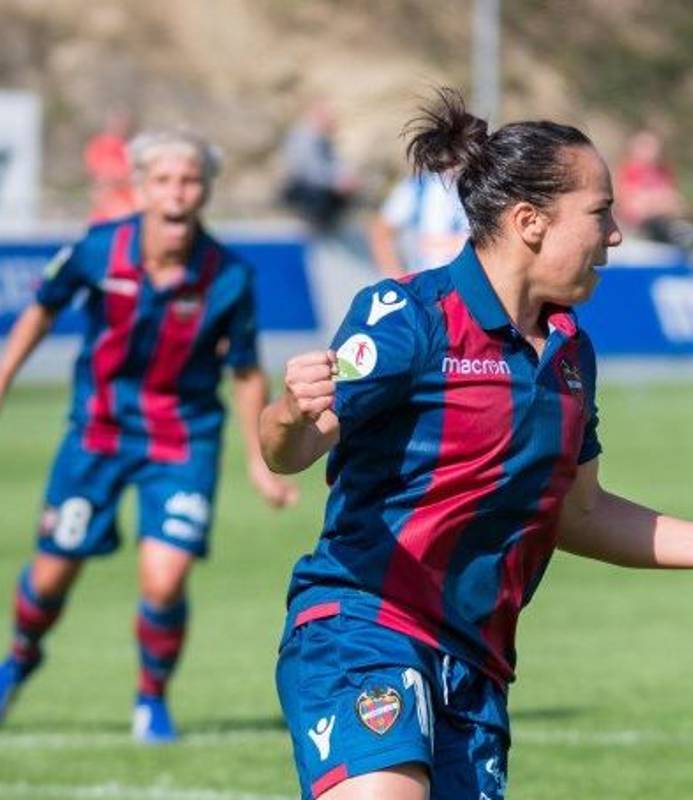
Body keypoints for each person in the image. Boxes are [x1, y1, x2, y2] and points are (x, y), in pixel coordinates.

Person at [260, 89, 693, 800]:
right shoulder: (409, 318)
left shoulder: (572, 354)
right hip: (364, 626)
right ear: (530, 222)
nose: (614, 234)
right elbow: (292, 449)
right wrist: (292, 412)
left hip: (476, 665)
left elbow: (579, 513)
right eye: (600, 211)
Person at [0, 129, 298, 742]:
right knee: (52, 576)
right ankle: (23, 654)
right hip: (98, 433)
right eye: (163, 180)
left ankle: (151, 701)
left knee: (164, 577)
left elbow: (244, 370)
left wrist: (259, 460)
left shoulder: (229, 276)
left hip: (182, 439)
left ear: (206, 190)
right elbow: (45, 305)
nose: (176, 192)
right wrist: (5, 370)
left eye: (188, 180)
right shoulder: (99, 249)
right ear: (139, 187)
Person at [368, 167, 469, 279]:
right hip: (425, 285)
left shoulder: (484, 191)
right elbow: (381, 231)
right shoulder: (418, 187)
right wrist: (400, 280)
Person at [613, 129, 693, 249]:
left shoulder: (664, 172)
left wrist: (656, 203)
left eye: (653, 146)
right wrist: (659, 203)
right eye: (645, 146)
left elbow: (678, 204)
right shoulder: (628, 172)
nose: (651, 151)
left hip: (665, 227)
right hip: (640, 232)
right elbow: (633, 209)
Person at [280, 100, 360, 231]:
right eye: (330, 118)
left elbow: (337, 166)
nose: (334, 122)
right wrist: (336, 182)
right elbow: (307, 172)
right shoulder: (303, 139)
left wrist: (346, 179)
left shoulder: (324, 141)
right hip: (308, 198)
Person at [84, 108, 138, 223]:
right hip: (105, 214)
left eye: (123, 122)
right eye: (116, 121)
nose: (120, 125)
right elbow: (102, 177)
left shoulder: (131, 148)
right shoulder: (98, 146)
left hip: (128, 212)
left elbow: (135, 177)